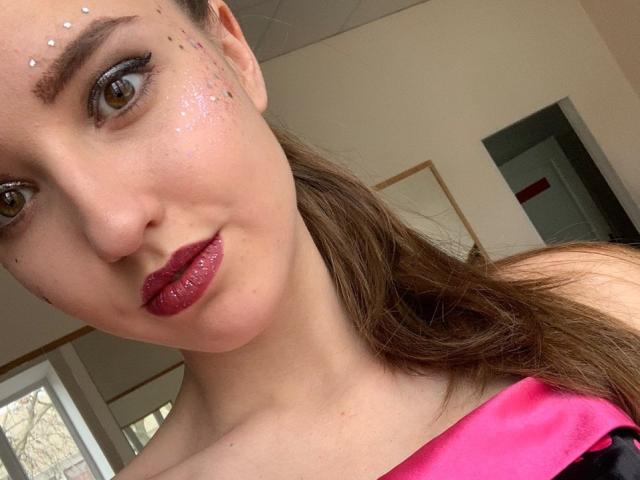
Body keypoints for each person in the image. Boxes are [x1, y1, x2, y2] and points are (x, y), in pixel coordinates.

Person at [1, 1, 639, 478]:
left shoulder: (591, 302)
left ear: (232, 50)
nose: (112, 226)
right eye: (8, 200)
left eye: (118, 89)